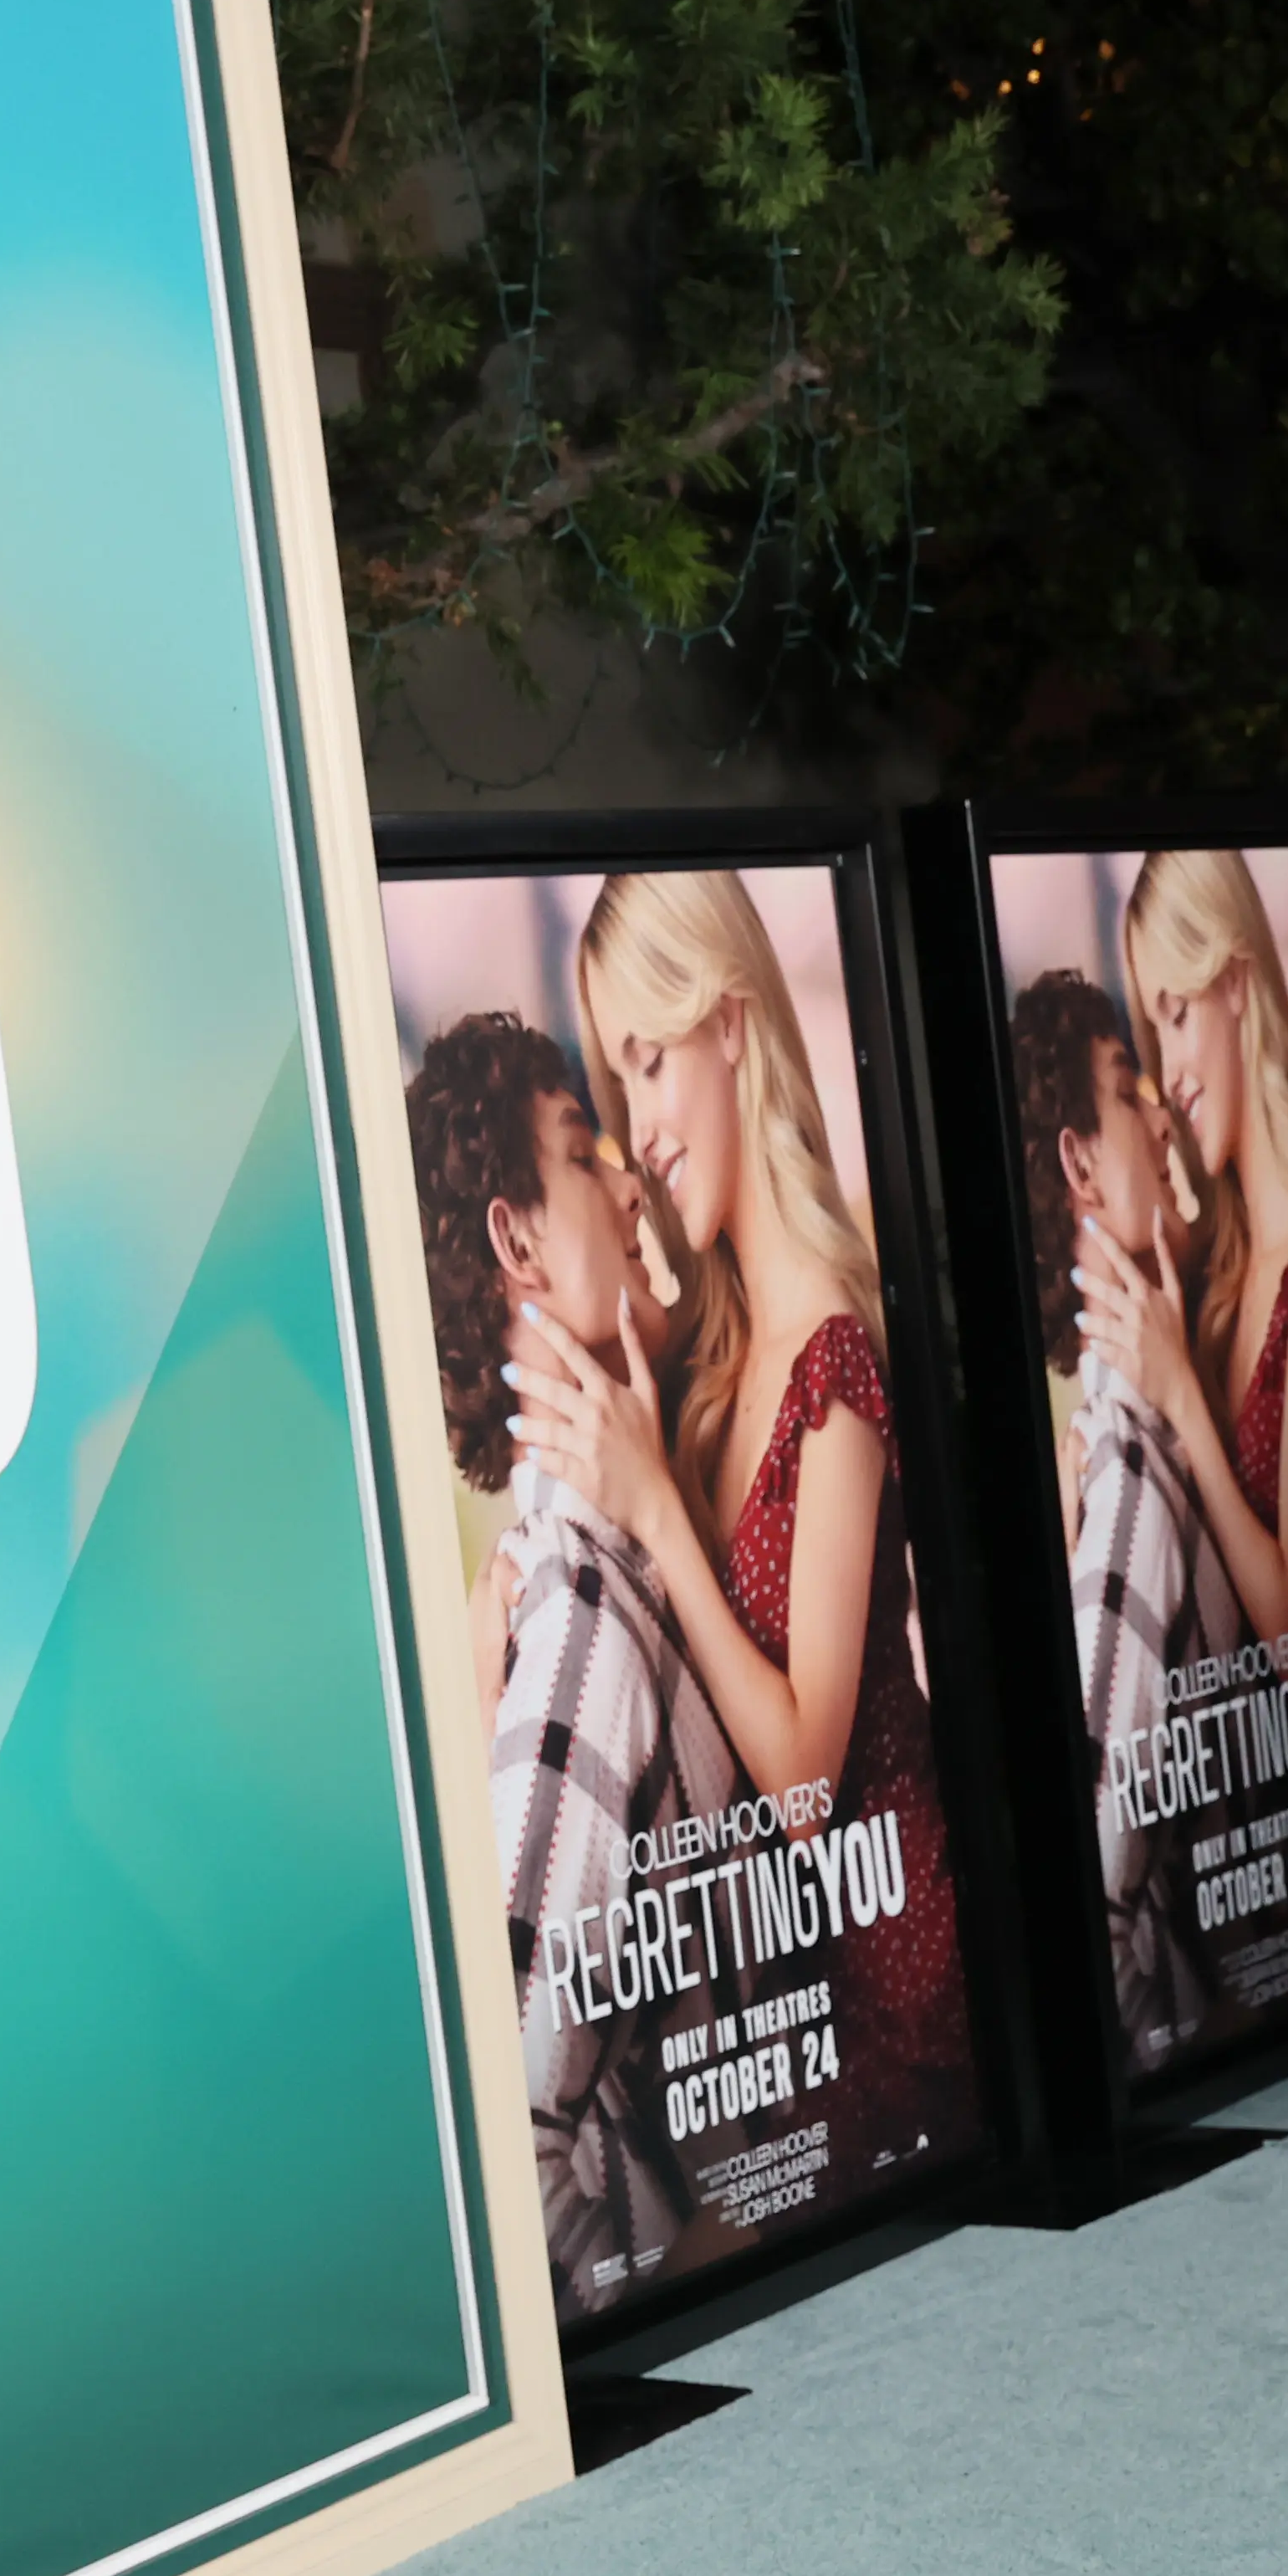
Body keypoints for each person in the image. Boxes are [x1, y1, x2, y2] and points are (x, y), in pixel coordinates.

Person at [504, 868, 964, 2153]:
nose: (638, 1127)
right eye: (615, 1086)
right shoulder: (730, 1337)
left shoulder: (830, 1350)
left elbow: (805, 1784)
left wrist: (658, 1511)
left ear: (730, 1021)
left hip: (892, 1989)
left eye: (647, 1064)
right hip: (790, 1991)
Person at [409, 1011, 741, 2307]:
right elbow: (512, 2114)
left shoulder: (597, 1558)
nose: (624, 1177)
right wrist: (681, 2258)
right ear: (516, 1238)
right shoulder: (574, 1613)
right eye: (580, 1152)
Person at [1082, 845, 1288, 1970]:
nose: (1167, 1067)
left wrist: (1179, 1387)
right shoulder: (1221, 1267)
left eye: (1174, 1015)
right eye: (1148, 1028)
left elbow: (1284, 1630)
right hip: (1256, 1817)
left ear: (1235, 984)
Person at [1009, 968, 1242, 2067]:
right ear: (1078, 1161)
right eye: (1126, 1089)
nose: (1158, 1113)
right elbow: (1102, 1877)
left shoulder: (1132, 1440)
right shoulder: (1125, 1470)